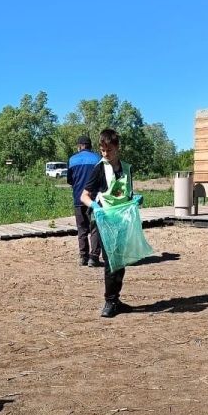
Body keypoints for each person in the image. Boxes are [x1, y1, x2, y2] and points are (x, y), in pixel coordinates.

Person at [81, 129, 133, 318]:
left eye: (109, 150)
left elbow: (127, 194)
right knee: (111, 260)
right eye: (102, 150)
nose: (105, 154)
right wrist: (95, 206)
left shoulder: (127, 169)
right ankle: (109, 301)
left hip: (123, 221)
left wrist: (135, 200)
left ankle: (116, 299)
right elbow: (84, 196)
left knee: (120, 261)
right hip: (105, 221)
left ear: (117, 148)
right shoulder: (99, 168)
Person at [67, 135, 102, 266]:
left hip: (78, 198)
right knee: (95, 228)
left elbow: (69, 180)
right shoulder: (98, 159)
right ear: (90, 146)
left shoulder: (72, 160)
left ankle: (83, 257)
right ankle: (94, 257)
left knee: (81, 229)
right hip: (94, 200)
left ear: (80, 146)